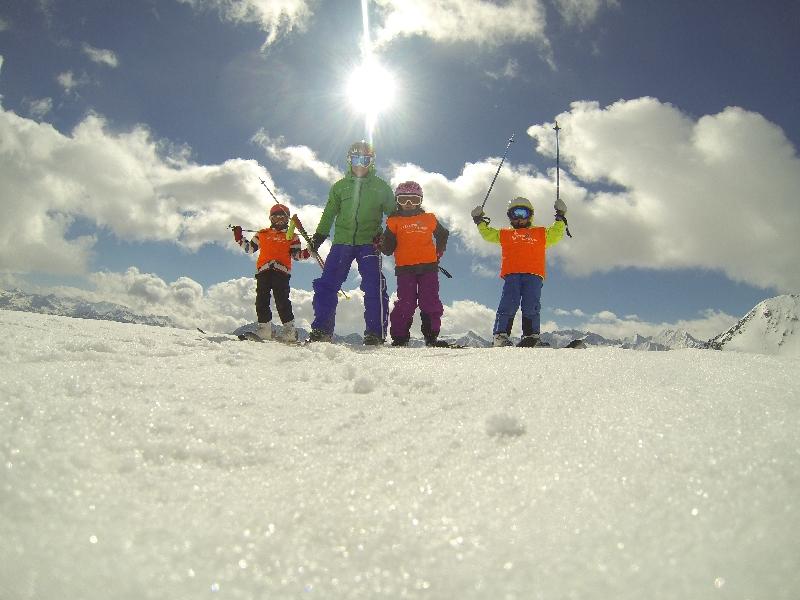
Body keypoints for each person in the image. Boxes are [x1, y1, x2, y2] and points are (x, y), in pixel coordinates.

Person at [307, 140, 396, 345]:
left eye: (365, 159)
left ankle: (375, 333)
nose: (360, 164)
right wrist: (318, 237)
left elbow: (393, 216)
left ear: (371, 161)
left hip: (369, 243)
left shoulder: (381, 187)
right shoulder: (340, 187)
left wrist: (388, 238)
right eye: (356, 159)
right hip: (342, 243)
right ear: (349, 160)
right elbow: (329, 214)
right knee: (327, 284)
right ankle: (322, 330)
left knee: (373, 286)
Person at [471, 197, 567, 347]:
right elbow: (488, 234)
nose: (519, 218)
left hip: (534, 275)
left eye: (523, 213)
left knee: (531, 305)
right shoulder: (505, 234)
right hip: (512, 275)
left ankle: (531, 336)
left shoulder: (540, 233)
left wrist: (560, 216)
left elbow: (556, 234)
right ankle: (501, 336)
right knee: (509, 303)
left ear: (531, 215)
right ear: (509, 216)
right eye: (515, 214)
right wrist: (479, 220)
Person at [380, 181, 449, 347]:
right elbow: (388, 249)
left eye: (414, 200)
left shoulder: (428, 218)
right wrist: (381, 243)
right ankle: (400, 337)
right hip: (405, 270)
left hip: (429, 268)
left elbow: (443, 234)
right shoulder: (394, 221)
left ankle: (431, 337)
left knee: (429, 300)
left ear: (420, 200)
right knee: (406, 302)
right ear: (398, 202)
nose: (409, 204)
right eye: (404, 200)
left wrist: (438, 253)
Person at [232, 204, 310, 341]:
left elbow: (297, 255)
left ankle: (289, 331)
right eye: (276, 217)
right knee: (261, 299)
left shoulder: (291, 236)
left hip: (281, 271)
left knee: (282, 300)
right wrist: (239, 237)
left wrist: (307, 252)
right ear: (271, 218)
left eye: (283, 217)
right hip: (263, 271)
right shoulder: (262, 233)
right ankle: (264, 329)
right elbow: (250, 249)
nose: (279, 220)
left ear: (288, 220)